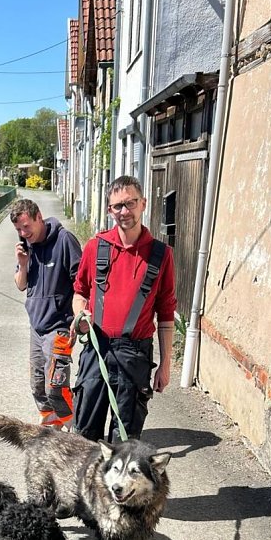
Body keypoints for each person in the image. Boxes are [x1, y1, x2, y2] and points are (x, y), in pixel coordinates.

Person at [70, 175, 177, 442]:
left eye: (130, 203)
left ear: (143, 204)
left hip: (135, 355)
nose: (124, 212)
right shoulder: (95, 247)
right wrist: (80, 315)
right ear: (109, 210)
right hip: (97, 350)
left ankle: (115, 485)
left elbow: (165, 314)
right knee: (84, 438)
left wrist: (165, 365)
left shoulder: (161, 255)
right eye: (117, 206)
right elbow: (79, 292)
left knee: (125, 442)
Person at [10, 198, 81, 428]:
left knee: (56, 387)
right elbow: (21, 285)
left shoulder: (64, 240)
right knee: (38, 385)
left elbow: (81, 282)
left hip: (59, 326)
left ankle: (77, 429)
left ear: (38, 217)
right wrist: (22, 263)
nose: (23, 232)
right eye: (19, 229)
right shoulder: (26, 247)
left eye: (26, 226)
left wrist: (79, 316)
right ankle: (52, 428)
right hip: (37, 328)